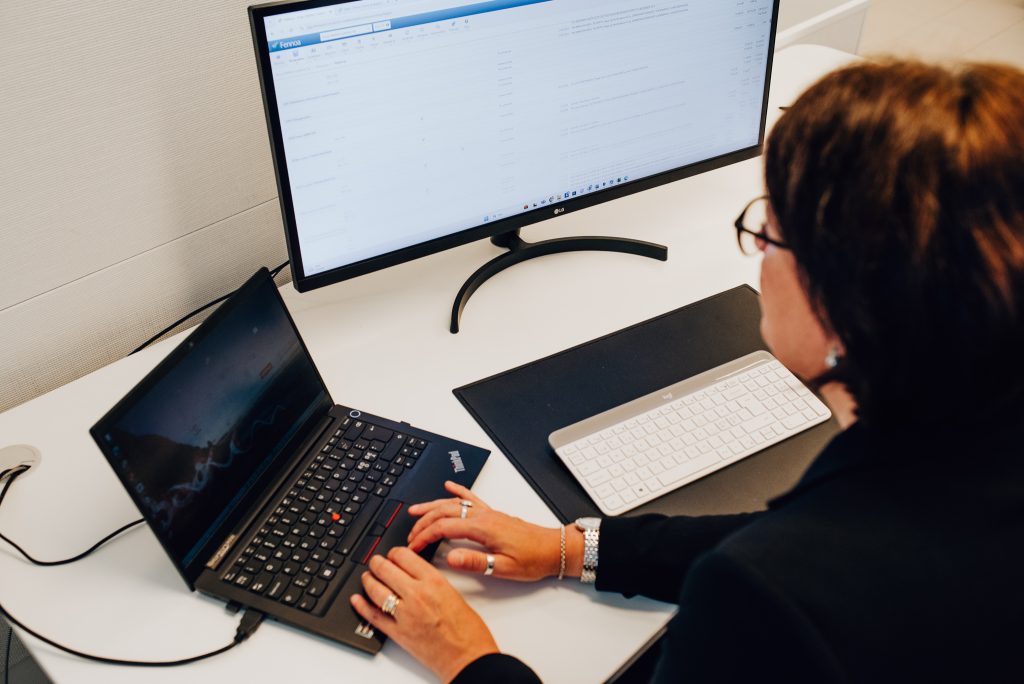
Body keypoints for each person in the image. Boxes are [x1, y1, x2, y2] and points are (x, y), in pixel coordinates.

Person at [349, 59, 1024, 682]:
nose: (756, 251)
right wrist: (570, 549)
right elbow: (792, 542)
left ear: (846, 303)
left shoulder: (768, 598)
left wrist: (468, 659)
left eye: (774, 230)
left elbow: (789, 568)